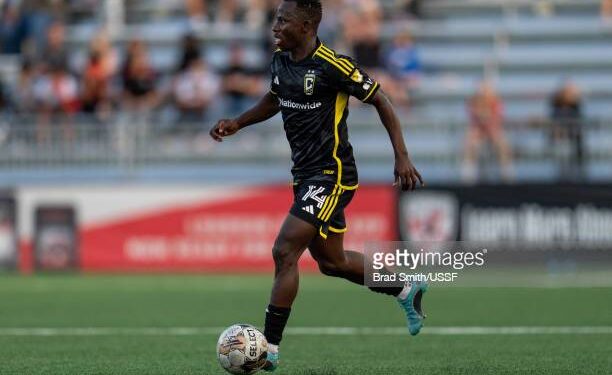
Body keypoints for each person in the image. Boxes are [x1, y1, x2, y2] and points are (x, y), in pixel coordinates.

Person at [209, 0, 427, 371]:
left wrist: (402, 156)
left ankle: (268, 350)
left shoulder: (333, 65)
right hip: (304, 176)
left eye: (283, 20)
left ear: (307, 25)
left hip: (333, 174)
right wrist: (240, 122)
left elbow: (382, 100)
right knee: (333, 262)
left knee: (284, 251)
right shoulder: (280, 60)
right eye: (276, 20)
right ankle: (407, 289)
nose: (275, 27)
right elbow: (275, 98)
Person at [462, 80, 513, 183]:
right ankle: (468, 178)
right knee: (469, 142)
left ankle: (507, 177)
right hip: (479, 132)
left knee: (502, 144)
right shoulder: (473, 101)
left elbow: (496, 119)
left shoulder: (496, 101)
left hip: (492, 131)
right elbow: (476, 118)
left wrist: (488, 124)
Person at [549, 80, 584, 179]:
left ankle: (575, 168)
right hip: (561, 132)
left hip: (572, 131)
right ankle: (563, 168)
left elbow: (577, 120)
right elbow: (554, 120)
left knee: (573, 139)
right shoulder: (557, 105)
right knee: (560, 137)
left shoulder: (575, 105)